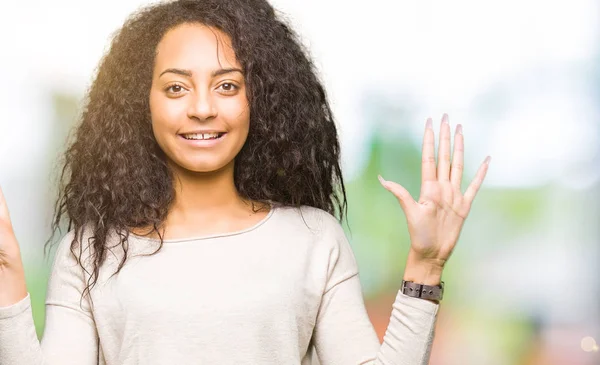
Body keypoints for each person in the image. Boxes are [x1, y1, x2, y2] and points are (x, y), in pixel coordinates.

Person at [0, 0, 491, 364]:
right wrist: (7, 282)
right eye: (176, 87)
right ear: (140, 103)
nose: (202, 107)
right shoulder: (90, 253)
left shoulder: (313, 239)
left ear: (259, 100)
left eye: (227, 85)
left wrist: (425, 267)